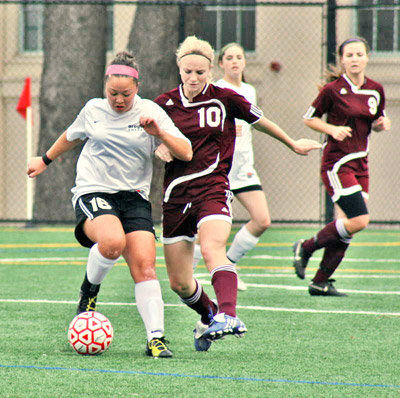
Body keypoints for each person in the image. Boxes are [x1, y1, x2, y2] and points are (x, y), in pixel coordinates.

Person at [154, 35, 321, 352]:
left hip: (212, 189)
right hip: (176, 197)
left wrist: (294, 143)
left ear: (210, 72)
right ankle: (210, 315)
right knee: (179, 282)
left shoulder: (226, 98)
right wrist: (159, 144)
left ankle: (229, 315)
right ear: (179, 69)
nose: (193, 78)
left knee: (213, 246)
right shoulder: (163, 104)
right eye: (187, 72)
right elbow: (148, 137)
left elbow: (261, 122)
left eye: (200, 73)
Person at [27, 51, 193, 358]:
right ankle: (89, 292)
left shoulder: (151, 112)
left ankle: (155, 339)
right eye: (112, 93)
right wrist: (45, 159)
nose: (119, 100)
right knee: (113, 242)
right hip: (94, 190)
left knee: (145, 266)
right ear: (105, 87)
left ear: (137, 87)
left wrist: (159, 135)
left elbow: (186, 152)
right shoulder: (93, 109)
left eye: (126, 94)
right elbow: (71, 136)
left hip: (133, 198)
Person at [292, 37, 391, 296]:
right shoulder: (333, 89)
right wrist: (331, 129)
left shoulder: (376, 89)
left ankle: (320, 281)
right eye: (349, 55)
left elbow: (377, 119)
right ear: (342, 60)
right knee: (359, 220)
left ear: (367, 57)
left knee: (347, 225)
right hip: (337, 164)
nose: (355, 59)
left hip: (362, 163)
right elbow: (309, 119)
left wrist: (382, 124)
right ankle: (306, 246)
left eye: (359, 54)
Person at [192, 42, 271, 291]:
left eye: (239, 57)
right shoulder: (216, 90)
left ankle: (228, 264)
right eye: (229, 57)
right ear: (221, 64)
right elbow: (200, 122)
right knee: (206, 229)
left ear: (244, 62)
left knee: (262, 220)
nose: (235, 61)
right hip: (219, 168)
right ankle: (185, 274)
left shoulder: (249, 90)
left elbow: (255, 122)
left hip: (244, 168)